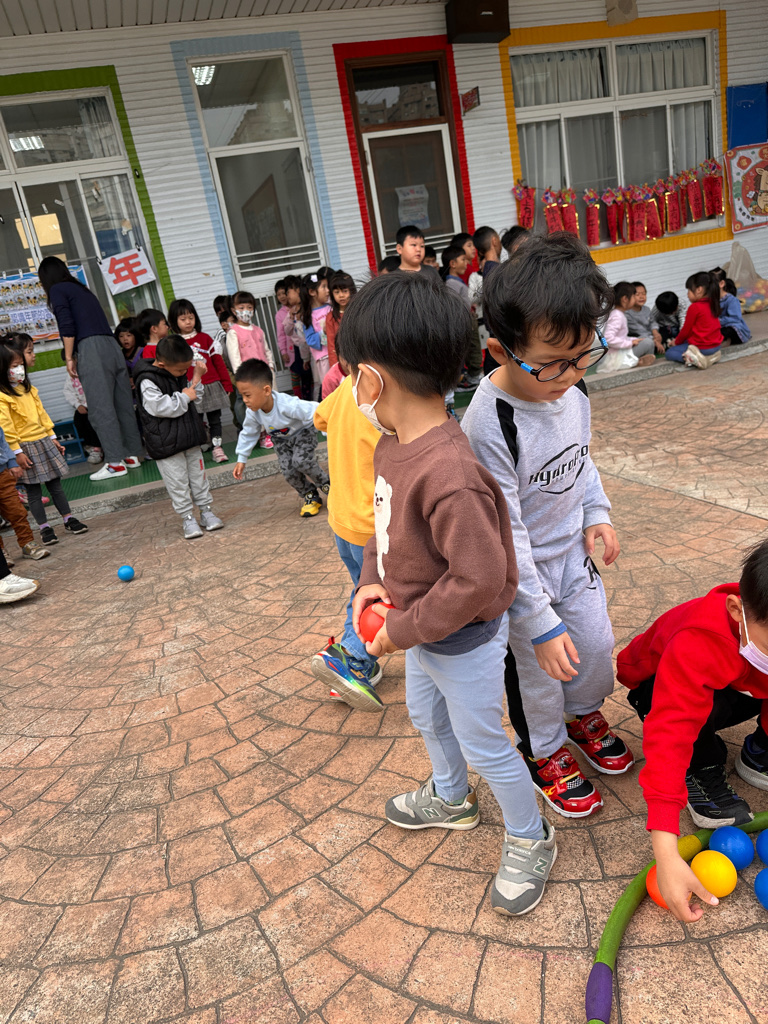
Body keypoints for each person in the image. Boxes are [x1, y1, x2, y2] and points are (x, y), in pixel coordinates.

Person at [343, 271, 555, 916]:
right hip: (418, 627)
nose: (349, 389)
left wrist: (399, 632)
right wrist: (370, 580)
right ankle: (451, 796)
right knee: (427, 718)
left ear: (371, 380)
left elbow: (479, 579)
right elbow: (383, 526)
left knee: (485, 740)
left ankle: (531, 835)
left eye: (349, 376)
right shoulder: (392, 446)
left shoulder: (450, 474)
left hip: (461, 640)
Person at [462, 232, 634, 819]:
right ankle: (544, 749)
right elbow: (503, 529)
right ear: (500, 350)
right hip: (521, 576)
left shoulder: (572, 389)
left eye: (583, 355)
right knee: (539, 672)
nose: (570, 374)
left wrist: (596, 513)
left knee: (595, 648)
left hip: (573, 558)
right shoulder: (489, 424)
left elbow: (581, 461)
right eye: (554, 361)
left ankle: (581, 713)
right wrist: (536, 620)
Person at [617, 539, 768, 923]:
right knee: (691, 717)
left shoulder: (757, 642)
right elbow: (670, 733)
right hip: (656, 684)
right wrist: (667, 855)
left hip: (740, 677)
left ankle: (759, 751)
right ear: (736, 610)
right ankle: (701, 769)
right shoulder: (700, 639)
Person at [311, 338, 382, 710]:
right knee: (379, 596)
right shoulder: (382, 403)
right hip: (372, 526)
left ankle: (356, 662)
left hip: (342, 520)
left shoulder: (343, 389)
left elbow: (319, 418)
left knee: (362, 589)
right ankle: (350, 658)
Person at [38, 257, 143, 482]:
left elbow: (67, 326)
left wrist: (69, 357)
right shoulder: (81, 289)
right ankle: (131, 455)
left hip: (91, 349)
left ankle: (115, 463)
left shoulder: (57, 290)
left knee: (100, 408)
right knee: (122, 404)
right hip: (111, 346)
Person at [134, 335, 224, 540]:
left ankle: (206, 511)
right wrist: (184, 396)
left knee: (199, 478)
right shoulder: (147, 380)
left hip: (190, 437)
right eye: (181, 370)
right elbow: (160, 407)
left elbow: (195, 397)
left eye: (186, 369)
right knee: (177, 482)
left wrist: (196, 378)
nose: (184, 373)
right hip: (166, 444)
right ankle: (187, 518)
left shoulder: (177, 371)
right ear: (163, 364)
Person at [0, 345, 88, 545]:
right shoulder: (3, 396)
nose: (19, 369)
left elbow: (42, 414)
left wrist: (52, 436)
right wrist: (17, 452)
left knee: (56, 485)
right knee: (33, 492)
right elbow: (6, 426)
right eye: (14, 365)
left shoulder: (29, 390)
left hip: (43, 440)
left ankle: (68, 518)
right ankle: (44, 528)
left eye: (21, 365)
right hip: (24, 447)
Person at [232, 358, 329, 518]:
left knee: (302, 461)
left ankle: (328, 486)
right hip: (281, 440)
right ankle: (310, 495)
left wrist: (328, 430)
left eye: (247, 395)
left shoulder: (287, 404)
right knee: (288, 471)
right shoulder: (253, 412)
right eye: (242, 395)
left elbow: (315, 410)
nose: (245, 400)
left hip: (302, 432)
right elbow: (249, 432)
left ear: (266, 390)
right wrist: (241, 458)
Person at [169, 298, 232, 463]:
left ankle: (217, 448)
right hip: (190, 389)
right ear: (174, 321)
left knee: (215, 420)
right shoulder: (175, 343)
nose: (188, 322)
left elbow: (218, 362)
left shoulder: (205, 338)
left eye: (191, 317)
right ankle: (199, 447)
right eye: (183, 319)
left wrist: (226, 384)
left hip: (212, 385)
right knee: (195, 421)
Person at [226, 290, 275, 447]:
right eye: (241, 307)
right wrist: (241, 377)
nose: (246, 311)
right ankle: (257, 434)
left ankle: (270, 432)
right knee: (249, 406)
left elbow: (266, 350)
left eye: (249, 307)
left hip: (264, 375)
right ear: (234, 310)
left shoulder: (258, 330)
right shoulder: (233, 332)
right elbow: (234, 357)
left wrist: (271, 366)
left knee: (268, 403)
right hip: (248, 377)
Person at [0, 420, 49, 561]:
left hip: (2, 474)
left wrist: (12, 463)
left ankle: (27, 543)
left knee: (16, 511)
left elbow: (3, 442)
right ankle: (1, 554)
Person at [665, 271, 723, 369]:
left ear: (699, 290)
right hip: (716, 346)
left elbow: (686, 331)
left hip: (703, 347)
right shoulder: (713, 303)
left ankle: (693, 359)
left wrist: (676, 342)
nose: (687, 294)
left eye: (689, 290)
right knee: (685, 342)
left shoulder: (695, 307)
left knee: (670, 353)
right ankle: (711, 357)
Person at [599, 281, 658, 372]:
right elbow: (608, 339)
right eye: (634, 296)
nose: (635, 299)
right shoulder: (617, 316)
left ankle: (637, 361)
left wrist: (633, 340)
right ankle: (636, 363)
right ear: (625, 299)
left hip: (618, 352)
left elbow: (620, 337)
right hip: (614, 356)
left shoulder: (619, 314)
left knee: (643, 340)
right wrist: (629, 343)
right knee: (648, 343)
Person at [289, 274, 330, 402]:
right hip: (324, 358)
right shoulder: (308, 316)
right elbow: (311, 340)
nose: (328, 290)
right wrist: (324, 332)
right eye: (324, 287)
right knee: (330, 390)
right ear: (312, 292)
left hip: (338, 354)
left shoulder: (331, 308)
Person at [61, 353, 103, 465]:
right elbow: (67, 391)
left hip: (96, 405)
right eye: (66, 362)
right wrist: (77, 405)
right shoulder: (70, 375)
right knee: (78, 421)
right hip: (82, 407)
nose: (69, 364)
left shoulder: (89, 370)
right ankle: (91, 445)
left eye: (70, 360)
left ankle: (97, 449)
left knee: (92, 422)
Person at [283, 275, 312, 400]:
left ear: (298, 290)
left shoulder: (308, 309)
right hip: (298, 349)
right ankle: (305, 400)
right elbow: (287, 331)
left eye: (288, 292)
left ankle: (310, 399)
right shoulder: (292, 311)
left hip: (310, 348)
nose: (287, 296)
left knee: (310, 377)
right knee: (303, 375)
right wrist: (290, 317)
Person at [710, 267, 751, 345]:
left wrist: (718, 321)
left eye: (711, 284)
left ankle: (725, 341)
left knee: (727, 331)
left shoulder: (731, 300)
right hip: (718, 327)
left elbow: (735, 319)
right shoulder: (711, 301)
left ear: (721, 284)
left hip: (732, 327)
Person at [325, 271, 356, 368]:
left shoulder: (358, 312)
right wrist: (336, 367)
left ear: (352, 291)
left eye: (345, 291)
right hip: (341, 364)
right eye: (337, 292)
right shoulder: (330, 317)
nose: (341, 295)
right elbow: (331, 345)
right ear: (332, 294)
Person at [625, 282, 661, 350]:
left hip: (649, 334)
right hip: (637, 336)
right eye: (637, 294)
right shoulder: (627, 313)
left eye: (644, 293)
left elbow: (652, 322)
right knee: (645, 342)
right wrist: (654, 339)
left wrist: (655, 333)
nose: (641, 297)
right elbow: (639, 330)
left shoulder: (646, 309)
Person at [274, 279, 294, 374]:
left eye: (283, 293)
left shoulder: (297, 307)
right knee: (295, 374)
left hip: (303, 346)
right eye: (278, 294)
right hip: (291, 350)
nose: (282, 296)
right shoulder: (279, 314)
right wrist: (283, 352)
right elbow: (281, 335)